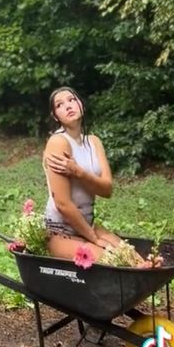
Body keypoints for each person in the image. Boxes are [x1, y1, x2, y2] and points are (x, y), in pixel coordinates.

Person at [43, 86, 128, 261]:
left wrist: (78, 172)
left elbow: (107, 190)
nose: (68, 106)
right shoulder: (58, 142)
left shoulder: (94, 142)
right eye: (60, 104)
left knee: (132, 259)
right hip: (60, 230)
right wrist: (94, 239)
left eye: (72, 100)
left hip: (87, 225)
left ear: (81, 104)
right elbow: (62, 203)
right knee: (112, 261)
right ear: (55, 116)